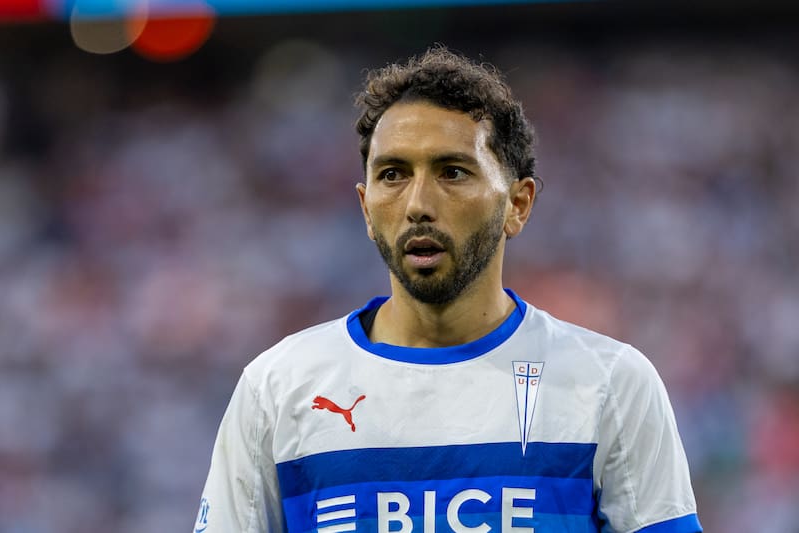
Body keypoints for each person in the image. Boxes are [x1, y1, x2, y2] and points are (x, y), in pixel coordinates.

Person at [195, 46, 702, 533]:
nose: (418, 204)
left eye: (452, 172)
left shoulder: (608, 384)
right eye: (393, 174)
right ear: (366, 208)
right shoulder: (278, 388)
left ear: (518, 205)